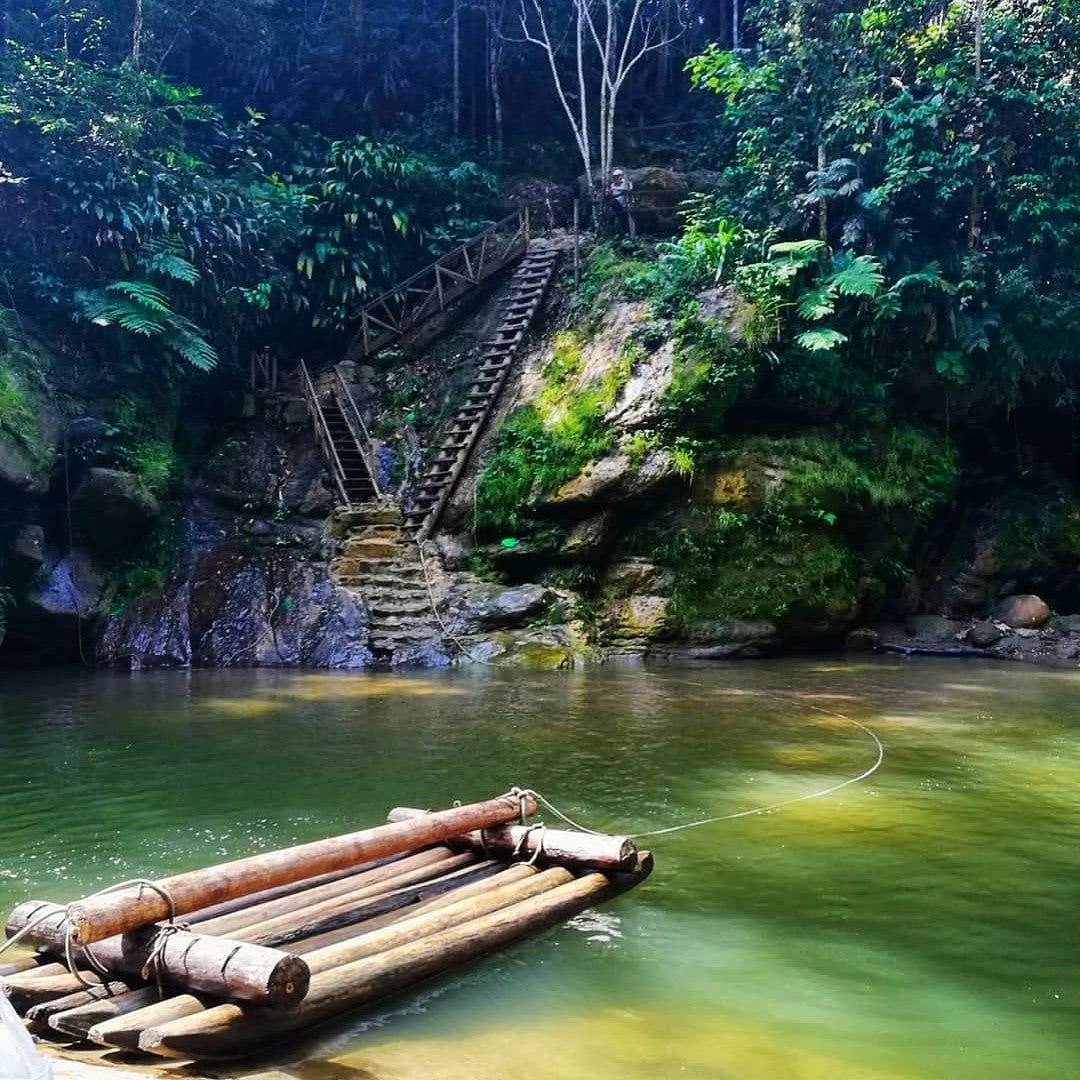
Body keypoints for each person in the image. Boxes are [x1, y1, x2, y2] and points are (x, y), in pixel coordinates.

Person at [605, 168, 635, 236]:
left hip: (625, 203)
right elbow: (610, 194)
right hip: (616, 204)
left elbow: (628, 189)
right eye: (614, 177)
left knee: (614, 204)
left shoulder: (627, 183)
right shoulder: (612, 185)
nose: (615, 178)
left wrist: (615, 189)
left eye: (617, 176)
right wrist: (609, 192)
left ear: (621, 176)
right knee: (611, 202)